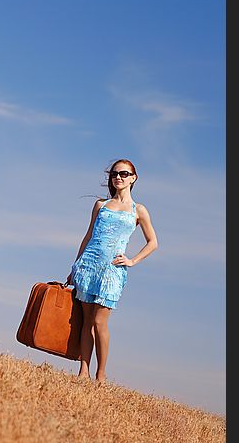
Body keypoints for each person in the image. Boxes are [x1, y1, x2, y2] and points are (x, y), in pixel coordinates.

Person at [66, 159, 158, 382]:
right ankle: (83, 371)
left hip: (112, 270)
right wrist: (74, 266)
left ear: (133, 178)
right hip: (88, 265)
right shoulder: (101, 205)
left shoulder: (139, 210)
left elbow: (152, 242)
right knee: (86, 321)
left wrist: (132, 261)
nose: (119, 177)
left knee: (100, 322)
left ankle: (101, 373)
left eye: (124, 174)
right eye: (115, 174)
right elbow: (88, 236)